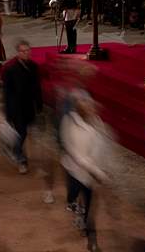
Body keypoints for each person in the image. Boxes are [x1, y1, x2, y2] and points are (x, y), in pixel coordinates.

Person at [60, 89, 110, 252]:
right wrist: (98, 172)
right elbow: (78, 155)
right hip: (75, 172)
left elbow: (102, 146)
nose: (91, 106)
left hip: (90, 176)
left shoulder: (97, 121)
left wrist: (104, 167)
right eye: (86, 103)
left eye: (90, 103)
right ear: (79, 107)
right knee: (74, 198)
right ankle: (78, 212)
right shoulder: (70, 123)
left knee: (90, 207)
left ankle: (92, 240)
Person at [1, 39, 42, 174]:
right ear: (18, 53)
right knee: (21, 133)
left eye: (28, 51)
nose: (26, 53)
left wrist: (39, 104)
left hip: (29, 107)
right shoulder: (10, 70)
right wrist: (7, 112)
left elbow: (37, 87)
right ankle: (21, 160)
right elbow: (7, 93)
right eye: (23, 51)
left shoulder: (34, 67)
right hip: (16, 108)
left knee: (26, 133)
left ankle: (13, 148)